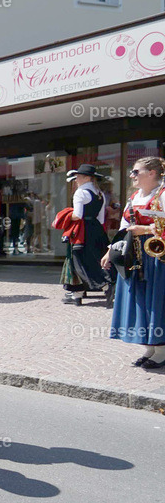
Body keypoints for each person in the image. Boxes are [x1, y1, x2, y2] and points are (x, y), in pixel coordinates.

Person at [104, 157, 165, 369]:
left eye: (136, 172)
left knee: (155, 298)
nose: (132, 176)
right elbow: (124, 226)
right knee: (139, 298)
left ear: (152, 173)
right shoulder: (134, 197)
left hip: (157, 255)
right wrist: (110, 250)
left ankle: (161, 349)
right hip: (136, 254)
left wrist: (146, 230)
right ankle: (149, 347)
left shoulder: (163, 195)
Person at [61, 164, 111, 306]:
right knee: (98, 260)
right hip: (97, 229)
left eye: (78, 176)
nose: (76, 179)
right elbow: (101, 218)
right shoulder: (99, 193)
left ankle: (82, 292)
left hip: (82, 231)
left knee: (78, 261)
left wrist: (64, 217)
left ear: (87, 178)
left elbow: (78, 215)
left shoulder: (80, 192)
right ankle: (105, 286)